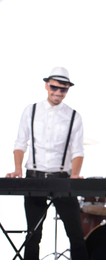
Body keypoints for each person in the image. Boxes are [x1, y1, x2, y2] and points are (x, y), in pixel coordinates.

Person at [6, 67, 89, 260]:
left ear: (68, 90)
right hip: (34, 177)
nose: (58, 92)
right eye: (54, 87)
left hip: (62, 178)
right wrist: (17, 169)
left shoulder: (74, 116)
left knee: (76, 234)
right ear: (46, 85)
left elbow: (78, 150)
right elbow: (20, 143)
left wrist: (75, 174)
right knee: (33, 234)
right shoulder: (31, 110)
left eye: (63, 89)